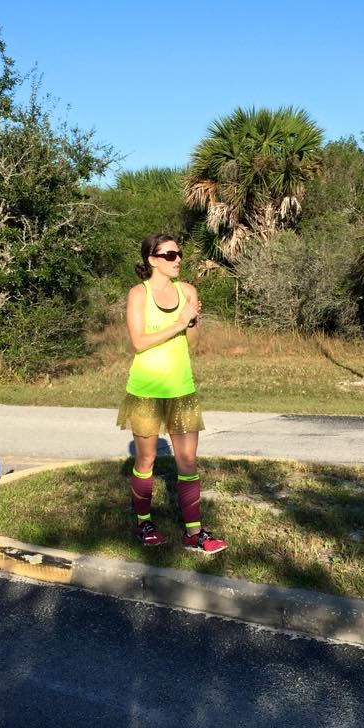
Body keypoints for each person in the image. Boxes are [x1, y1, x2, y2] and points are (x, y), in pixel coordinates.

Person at [116, 233, 228, 554]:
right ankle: (144, 523)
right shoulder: (139, 294)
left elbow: (193, 344)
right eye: (169, 255)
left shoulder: (188, 291)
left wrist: (192, 321)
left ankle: (195, 532)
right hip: (146, 389)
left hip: (181, 387)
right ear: (152, 260)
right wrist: (179, 322)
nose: (177, 259)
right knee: (147, 458)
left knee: (188, 460)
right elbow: (138, 342)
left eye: (178, 254)